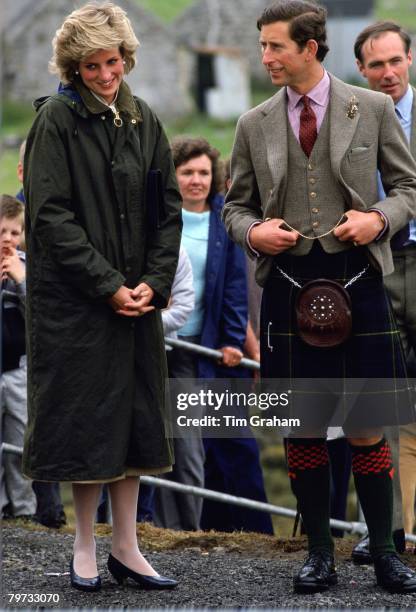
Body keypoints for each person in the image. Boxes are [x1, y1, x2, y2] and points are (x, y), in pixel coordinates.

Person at [222, 0, 416, 594]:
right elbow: (235, 207)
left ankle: (385, 552)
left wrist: (379, 221)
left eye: (275, 46)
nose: (266, 57)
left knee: (366, 425)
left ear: (310, 48)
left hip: (360, 282)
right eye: (262, 46)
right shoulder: (253, 123)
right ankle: (317, 556)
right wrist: (253, 232)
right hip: (287, 289)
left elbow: (408, 187)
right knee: (302, 427)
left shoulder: (374, 107)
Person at [22, 2, 182, 593]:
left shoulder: (144, 119)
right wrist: (107, 284)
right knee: (88, 425)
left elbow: (169, 214)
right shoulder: (55, 122)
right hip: (77, 306)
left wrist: (153, 284)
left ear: (126, 58)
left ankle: (127, 547)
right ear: (73, 67)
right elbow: (49, 216)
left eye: (112, 61)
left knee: (136, 422)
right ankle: (85, 545)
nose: (105, 75)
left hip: (137, 301)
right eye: (91, 66)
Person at [157, 136, 273, 535]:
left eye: (203, 172)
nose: (196, 180)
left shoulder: (222, 220)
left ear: (215, 176)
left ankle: (255, 533)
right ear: (173, 176)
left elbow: (234, 287)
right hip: (161, 346)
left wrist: (232, 339)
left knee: (231, 441)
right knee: (171, 442)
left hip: (207, 348)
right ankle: (164, 527)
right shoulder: (160, 218)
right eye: (187, 172)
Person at [355, 20, 416, 551]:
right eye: (376, 64)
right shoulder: (352, 118)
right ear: (361, 70)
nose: (387, 73)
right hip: (373, 263)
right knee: (378, 396)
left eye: (395, 61)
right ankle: (386, 528)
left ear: (410, 60)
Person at [0, 195, 37, 521]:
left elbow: (41, 318)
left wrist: (22, 282)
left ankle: (25, 515)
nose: (9, 240)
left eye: (15, 232)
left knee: (20, 445)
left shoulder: (28, 267)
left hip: (18, 371)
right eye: (2, 232)